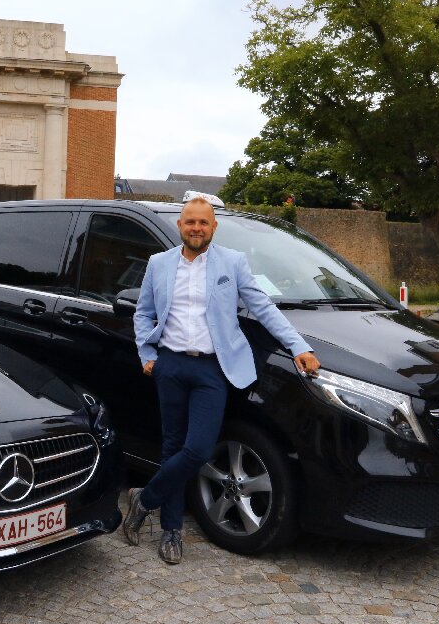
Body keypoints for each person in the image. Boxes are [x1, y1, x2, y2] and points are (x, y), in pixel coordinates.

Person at [124, 197, 320, 564]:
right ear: (180, 226)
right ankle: (171, 531)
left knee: (196, 450)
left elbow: (263, 308)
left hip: (213, 369)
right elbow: (144, 313)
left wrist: (298, 346)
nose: (196, 228)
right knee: (171, 448)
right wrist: (147, 356)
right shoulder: (159, 264)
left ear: (214, 227)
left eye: (203, 223)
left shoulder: (233, 263)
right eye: (190, 222)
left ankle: (145, 498)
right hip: (170, 366)